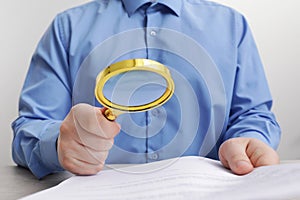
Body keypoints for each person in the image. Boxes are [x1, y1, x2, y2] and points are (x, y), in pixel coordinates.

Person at [12, 0, 281, 179]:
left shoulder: (233, 26)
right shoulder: (66, 28)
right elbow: (29, 128)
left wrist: (249, 138)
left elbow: (254, 115)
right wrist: (59, 143)